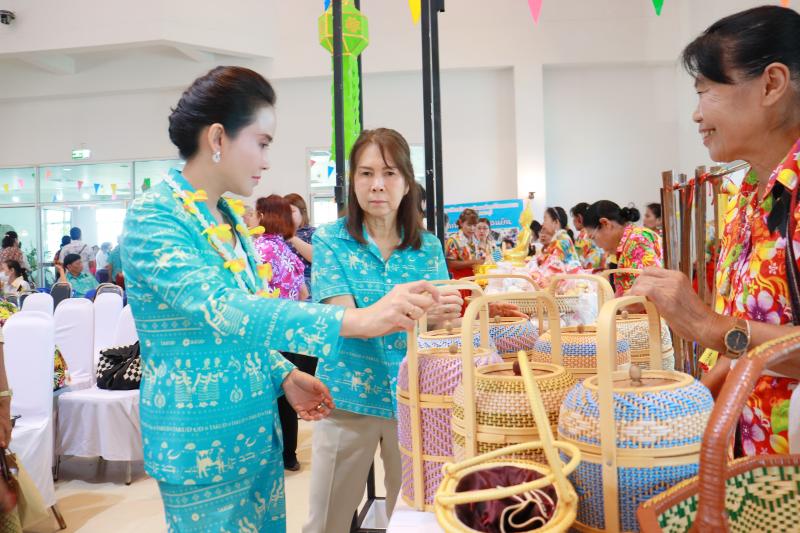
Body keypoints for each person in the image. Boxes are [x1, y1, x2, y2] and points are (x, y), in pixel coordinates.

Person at [120, 67, 439, 533]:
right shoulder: (155, 216)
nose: (267, 161)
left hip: (258, 433)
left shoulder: (229, 218)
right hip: (200, 441)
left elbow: (244, 326)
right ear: (218, 138)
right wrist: (357, 320)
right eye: (262, 142)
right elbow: (221, 307)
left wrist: (283, 373)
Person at [631, 5, 800, 458]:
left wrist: (708, 325)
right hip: (748, 467)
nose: (695, 115)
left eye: (705, 92)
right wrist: (687, 408)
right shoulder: (750, 194)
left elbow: (728, 331)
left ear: (771, 84)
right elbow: (744, 339)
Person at [304, 128, 462, 533]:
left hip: (413, 400)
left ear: (407, 183)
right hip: (346, 400)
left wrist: (445, 316)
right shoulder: (331, 241)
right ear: (352, 181)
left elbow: (441, 324)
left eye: (389, 173)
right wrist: (418, 312)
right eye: (366, 173)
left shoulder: (427, 246)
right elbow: (344, 320)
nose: (377, 184)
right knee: (326, 520)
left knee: (411, 516)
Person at [252, 194, 316, 472]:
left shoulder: (259, 249)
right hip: (291, 329)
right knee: (288, 393)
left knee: (269, 394)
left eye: (255, 213)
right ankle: (289, 454)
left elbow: (255, 292)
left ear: (264, 216)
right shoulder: (285, 248)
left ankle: (270, 454)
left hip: (268, 329)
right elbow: (303, 292)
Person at [583, 201, 661, 296]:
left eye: (593, 237)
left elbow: (647, 292)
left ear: (606, 224)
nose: (597, 245)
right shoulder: (625, 243)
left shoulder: (638, 240)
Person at [284, 193, 315, 297]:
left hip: (306, 280)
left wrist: (292, 237)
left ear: (302, 212)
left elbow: (316, 257)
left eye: (292, 211)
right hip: (284, 280)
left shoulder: (313, 233)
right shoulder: (278, 234)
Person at [445, 208, 482, 278]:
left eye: (474, 225)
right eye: (469, 225)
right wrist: (474, 262)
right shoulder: (453, 240)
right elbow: (450, 263)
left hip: (476, 278)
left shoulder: (476, 238)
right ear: (461, 223)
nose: (472, 228)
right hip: (460, 280)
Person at [571, 202, 606, 271]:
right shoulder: (598, 232)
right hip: (602, 273)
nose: (573, 222)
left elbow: (575, 260)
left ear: (579, 218)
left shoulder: (583, 235)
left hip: (588, 274)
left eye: (574, 218)